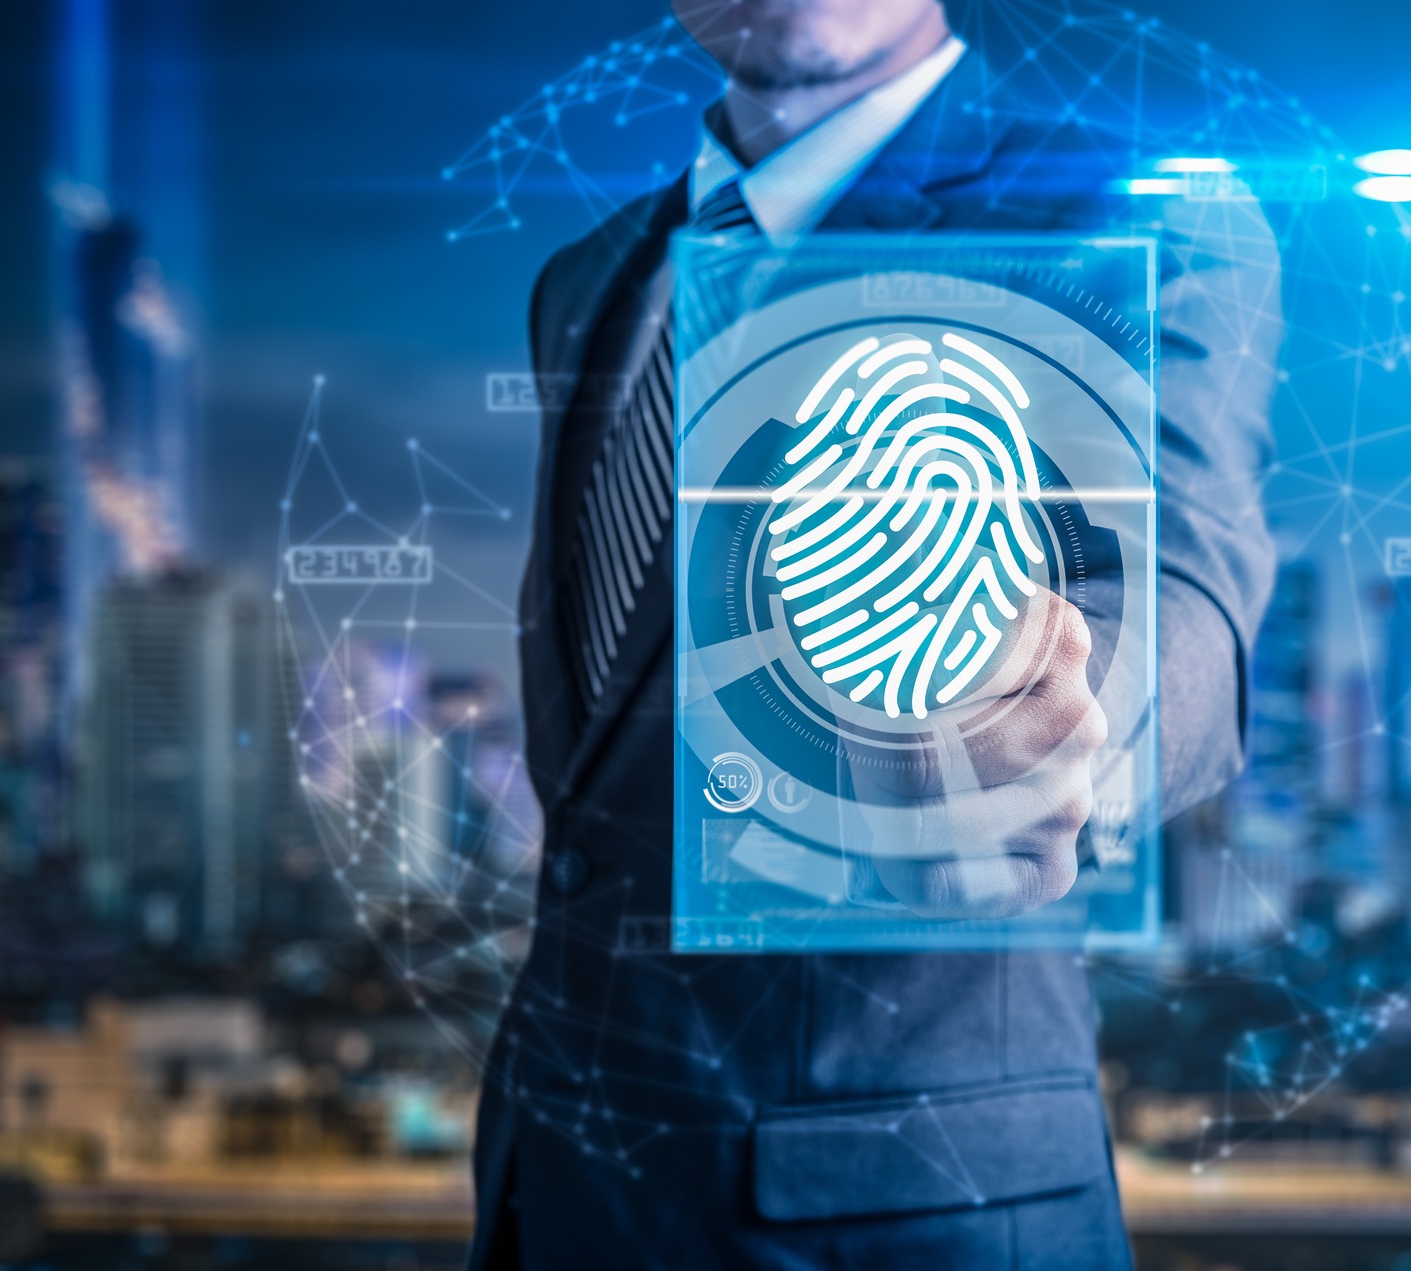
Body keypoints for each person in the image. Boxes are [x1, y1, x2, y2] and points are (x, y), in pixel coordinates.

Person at [468, 0, 1280, 1266]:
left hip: (895, 1217)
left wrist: (1048, 737)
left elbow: (1184, 590)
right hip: (566, 1192)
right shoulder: (585, 278)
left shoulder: (1133, 207)